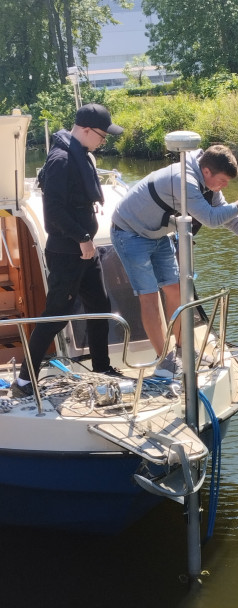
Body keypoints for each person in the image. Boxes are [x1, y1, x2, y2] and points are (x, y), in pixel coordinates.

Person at [111, 144, 238, 378]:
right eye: (222, 181)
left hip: (157, 233)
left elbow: (228, 216)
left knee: (176, 290)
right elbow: (212, 219)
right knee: (149, 296)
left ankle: (185, 351)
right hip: (130, 233)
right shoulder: (183, 179)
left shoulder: (207, 182)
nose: (224, 186)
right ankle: (165, 361)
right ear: (207, 172)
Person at [11, 103, 124, 398]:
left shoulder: (81, 155)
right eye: (102, 135)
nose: (104, 141)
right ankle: (24, 382)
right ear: (86, 130)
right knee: (56, 316)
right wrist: (83, 239)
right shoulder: (61, 160)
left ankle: (101, 368)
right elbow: (53, 214)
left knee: (99, 307)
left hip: (84, 249)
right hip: (67, 252)